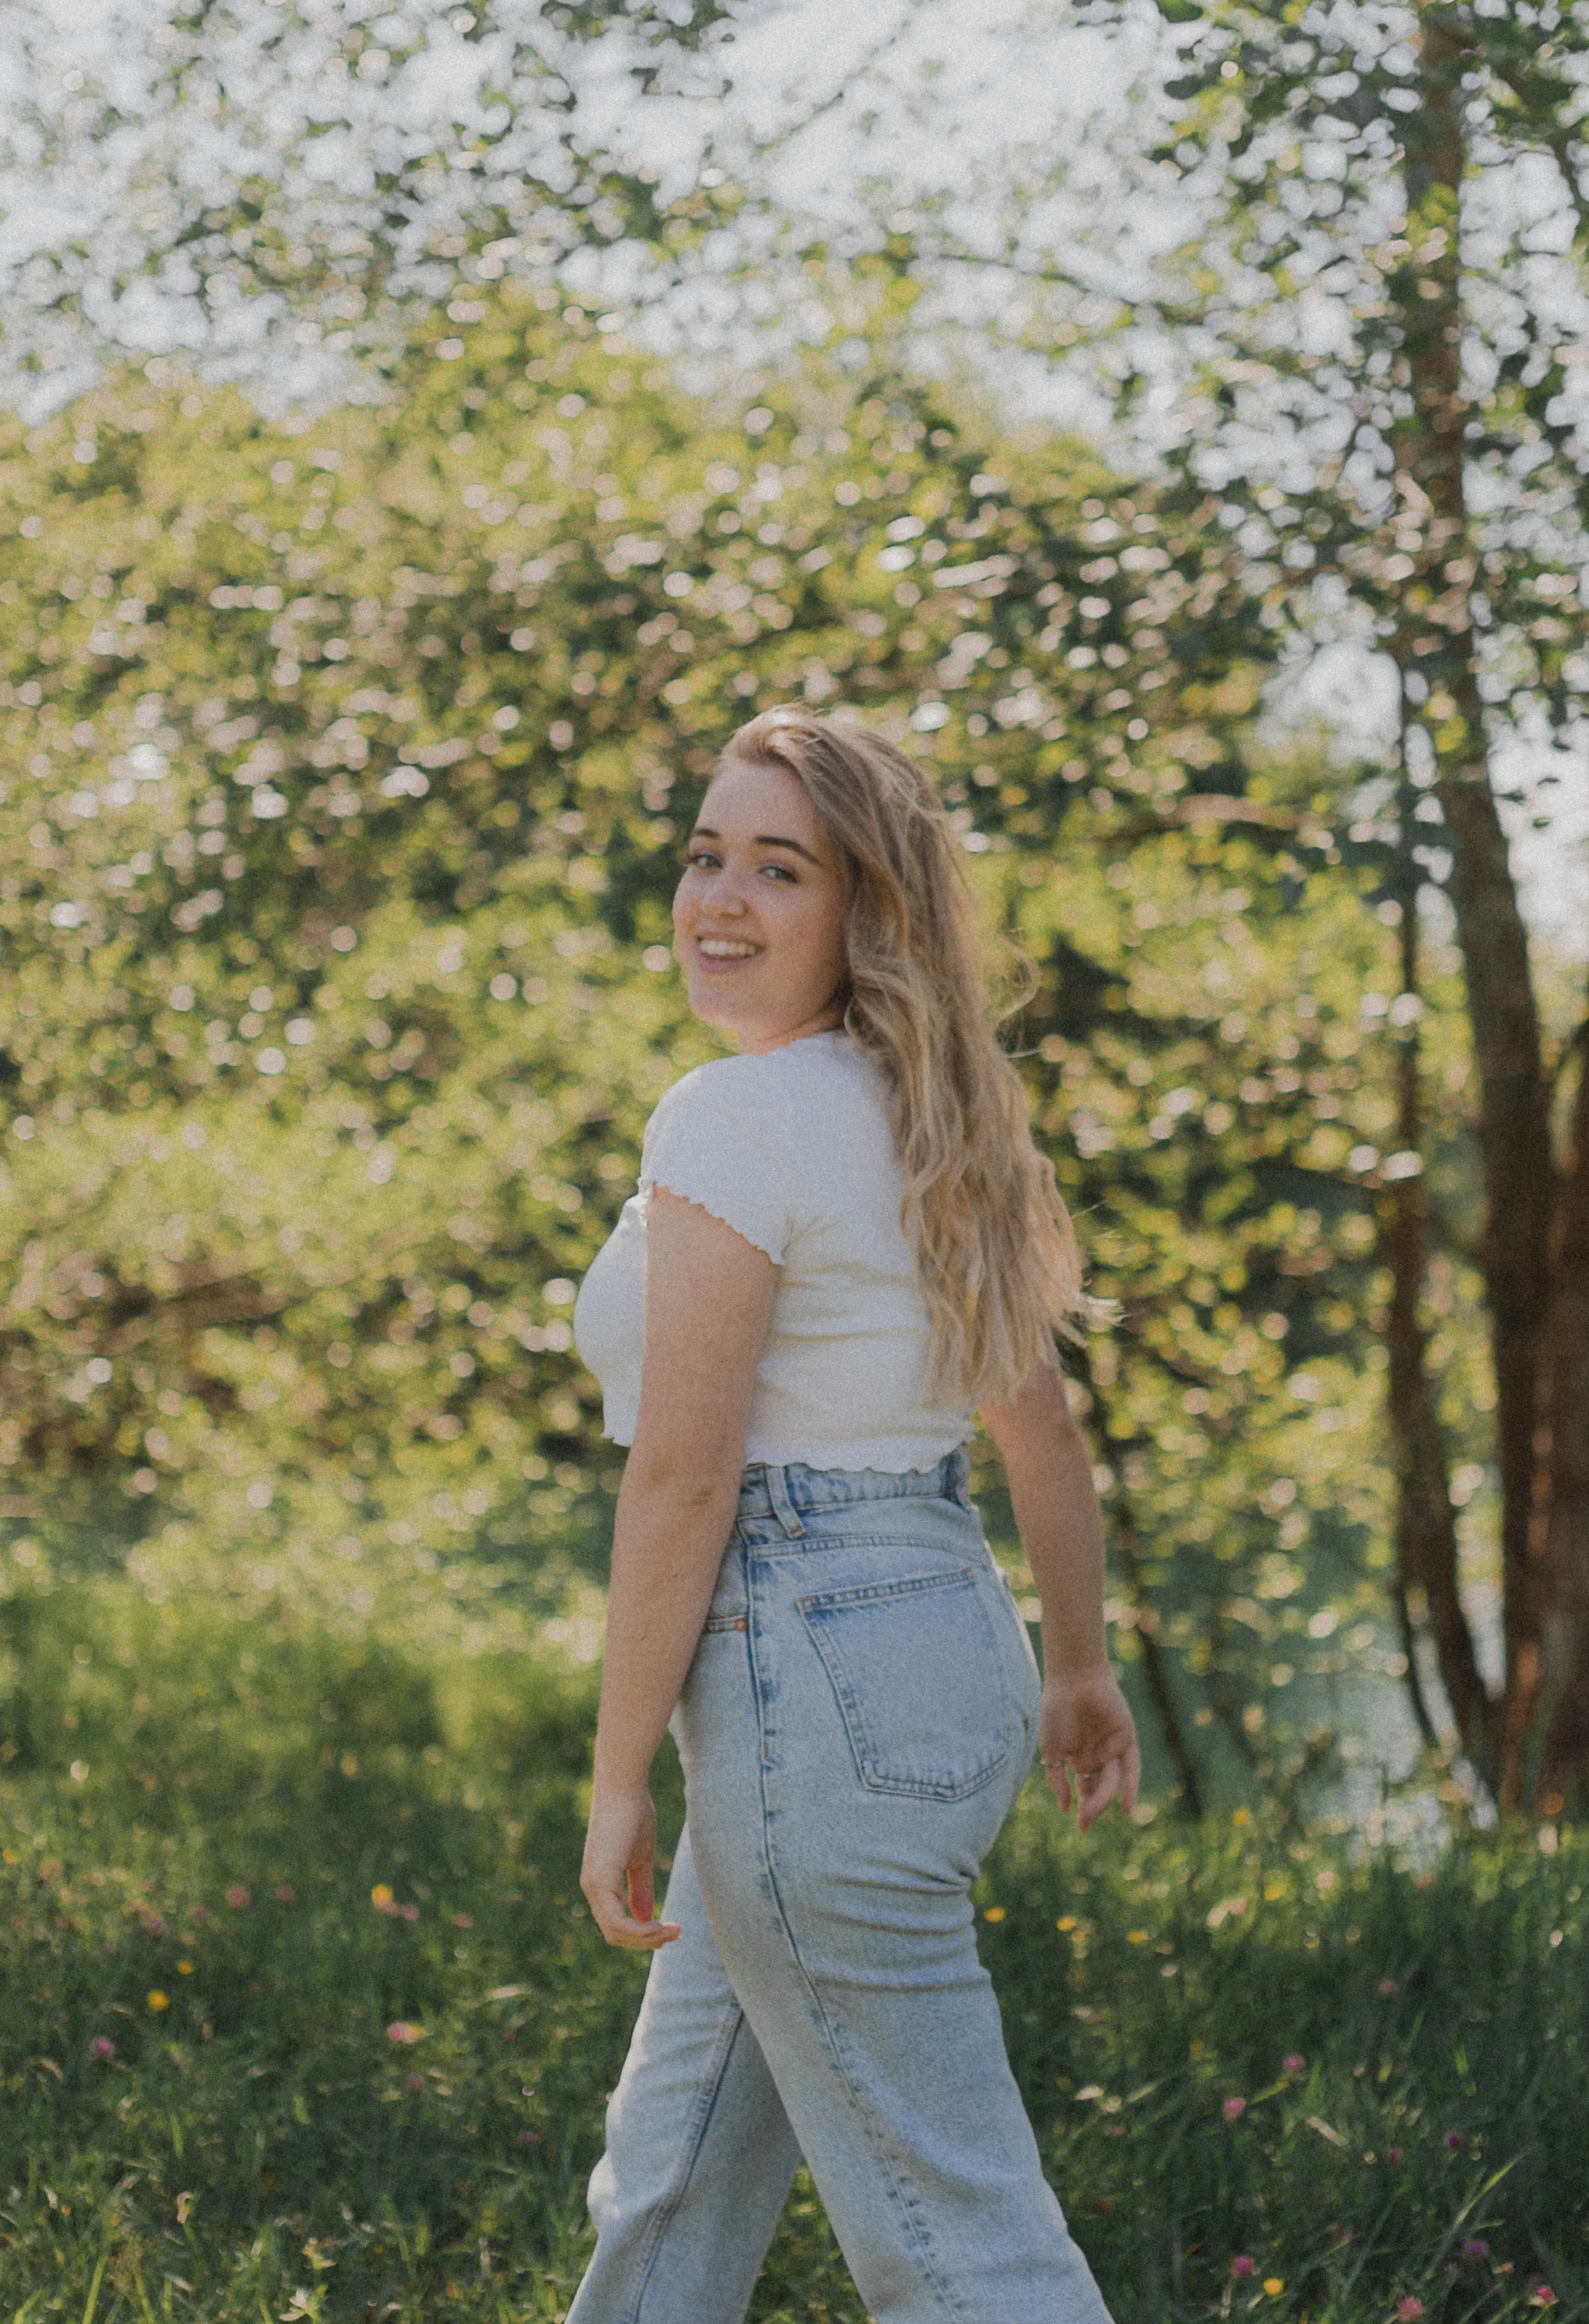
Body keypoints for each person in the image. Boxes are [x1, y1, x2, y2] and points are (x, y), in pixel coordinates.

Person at [569, 705, 1139, 2324]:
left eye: (777, 869)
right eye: (703, 858)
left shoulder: (734, 1119)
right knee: (670, 2172)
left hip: (807, 1692)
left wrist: (616, 1781)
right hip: (938, 1653)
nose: (718, 901)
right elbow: (1035, 1428)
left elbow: (683, 1477)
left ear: (862, 913)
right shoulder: (943, 1122)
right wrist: (1075, 1671)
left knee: (958, 2239)